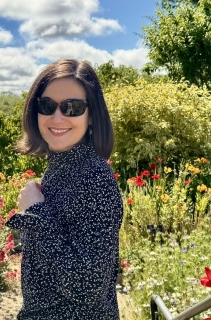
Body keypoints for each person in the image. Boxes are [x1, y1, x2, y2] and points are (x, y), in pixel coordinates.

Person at [6, 59, 123, 320]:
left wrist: (37, 212)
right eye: (46, 106)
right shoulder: (63, 166)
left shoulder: (95, 178)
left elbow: (86, 287)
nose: (57, 117)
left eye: (73, 107)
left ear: (91, 115)